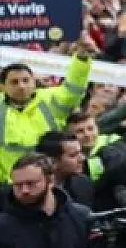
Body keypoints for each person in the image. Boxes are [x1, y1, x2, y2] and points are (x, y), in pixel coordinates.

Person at [0, 39, 95, 181]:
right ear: (3, 86)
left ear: (34, 81)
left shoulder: (50, 99)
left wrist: (81, 59)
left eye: (26, 80)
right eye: (14, 82)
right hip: (12, 185)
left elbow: (74, 89)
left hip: (51, 180)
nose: (21, 86)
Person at [0, 152, 91, 248]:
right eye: (18, 185)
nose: (24, 190)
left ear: (51, 181)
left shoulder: (81, 218)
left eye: (31, 183)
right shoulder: (4, 226)